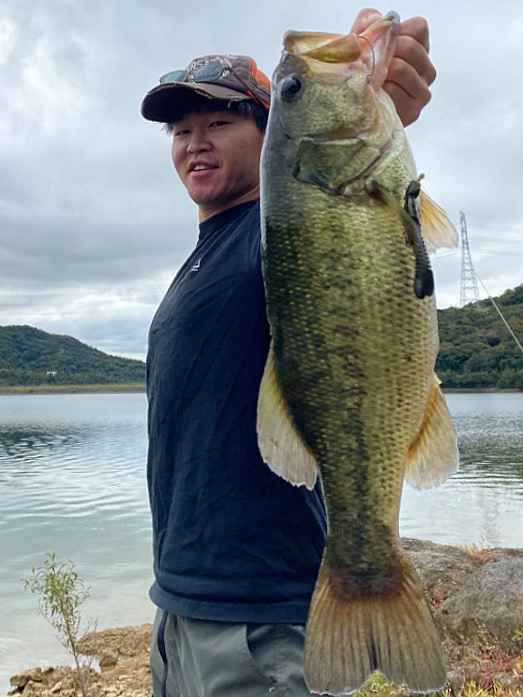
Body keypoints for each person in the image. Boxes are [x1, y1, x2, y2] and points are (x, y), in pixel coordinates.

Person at [141, 9, 437, 697]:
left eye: (219, 122)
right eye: (180, 131)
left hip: (261, 623)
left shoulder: (282, 229)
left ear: (271, 131)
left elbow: (342, 210)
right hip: (179, 605)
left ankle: (368, 573)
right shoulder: (200, 260)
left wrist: (376, 101)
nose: (195, 143)